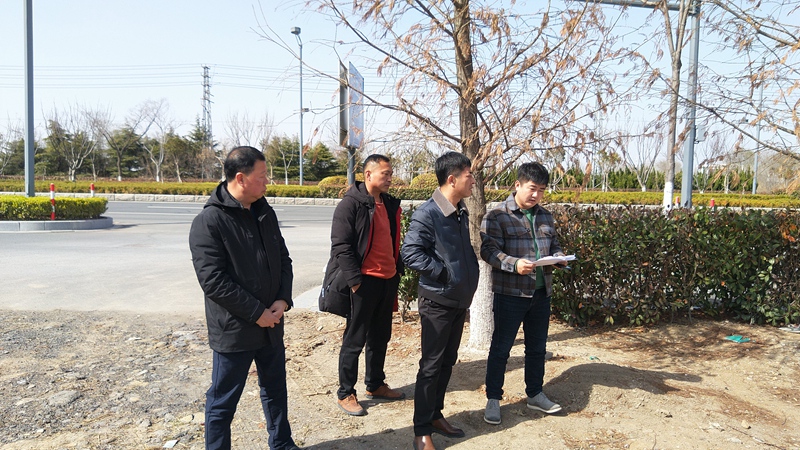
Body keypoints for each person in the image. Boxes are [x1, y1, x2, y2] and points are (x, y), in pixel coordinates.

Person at [189, 146, 300, 450]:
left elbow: (283, 259)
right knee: (223, 401)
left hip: (271, 323)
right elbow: (213, 281)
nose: (267, 182)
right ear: (241, 178)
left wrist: (283, 299)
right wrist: (256, 313)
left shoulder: (264, 212)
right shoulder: (210, 221)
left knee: (275, 390)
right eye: (262, 176)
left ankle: (282, 443)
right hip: (235, 329)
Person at [401, 152, 480, 450]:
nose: (473, 180)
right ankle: (421, 431)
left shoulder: (459, 210)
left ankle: (435, 414)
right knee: (431, 366)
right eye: (468, 175)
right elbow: (410, 253)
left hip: (457, 300)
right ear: (452, 179)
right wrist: (444, 274)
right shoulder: (428, 213)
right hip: (438, 301)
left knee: (447, 362)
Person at [480, 161, 566, 426]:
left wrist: (559, 257)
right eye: (532, 188)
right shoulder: (497, 215)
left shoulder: (545, 216)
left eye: (541, 190)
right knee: (501, 349)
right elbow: (488, 251)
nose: (536, 195)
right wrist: (514, 264)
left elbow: (554, 244)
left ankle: (535, 394)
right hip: (510, 293)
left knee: (537, 348)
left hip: (541, 292)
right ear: (517, 184)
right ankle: (493, 398)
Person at [322, 154, 405, 416]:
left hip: (387, 280)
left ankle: (375, 384)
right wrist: (356, 282)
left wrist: (397, 271)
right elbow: (341, 246)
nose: (390, 179)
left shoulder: (389, 204)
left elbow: (392, 240)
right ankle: (346, 392)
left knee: (381, 336)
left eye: (391, 174)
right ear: (368, 175)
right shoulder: (351, 205)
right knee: (355, 339)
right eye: (385, 174)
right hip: (364, 283)